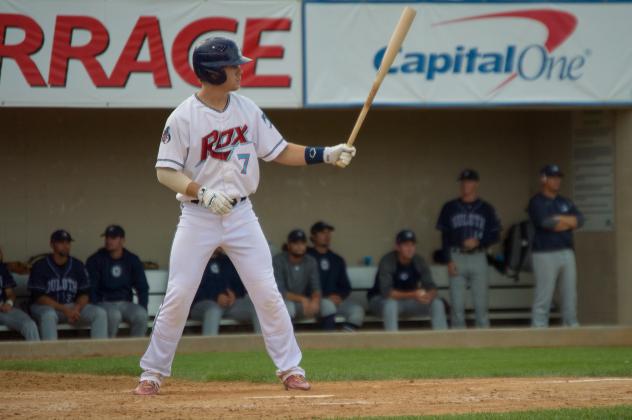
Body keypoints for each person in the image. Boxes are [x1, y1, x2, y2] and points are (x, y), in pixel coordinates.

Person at [135, 37, 356, 395]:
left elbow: (280, 150)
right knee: (178, 293)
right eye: (233, 65)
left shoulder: (247, 109)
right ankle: (152, 372)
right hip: (198, 216)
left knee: (267, 291)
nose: (240, 69)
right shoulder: (183, 117)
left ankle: (290, 369)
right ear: (211, 71)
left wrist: (326, 154)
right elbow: (165, 172)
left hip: (241, 214)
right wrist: (202, 193)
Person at [435, 169, 501, 329]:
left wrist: (479, 242)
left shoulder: (486, 208)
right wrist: (448, 260)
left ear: (476, 183)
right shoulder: (449, 207)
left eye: (470, 181)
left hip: (479, 257)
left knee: (481, 306)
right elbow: (444, 237)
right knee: (457, 307)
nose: (466, 185)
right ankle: (457, 347)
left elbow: (496, 235)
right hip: (456, 256)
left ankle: (484, 345)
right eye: (463, 182)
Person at [528, 164, 583, 328]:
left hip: (566, 252)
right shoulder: (536, 201)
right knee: (544, 296)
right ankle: (538, 330)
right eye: (552, 177)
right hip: (545, 253)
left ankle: (571, 327)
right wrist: (567, 221)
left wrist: (560, 219)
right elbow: (546, 223)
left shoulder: (565, 201)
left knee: (570, 295)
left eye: (558, 177)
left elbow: (579, 220)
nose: (556, 181)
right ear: (543, 179)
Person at [28, 230, 107, 340]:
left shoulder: (77, 265)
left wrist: (77, 308)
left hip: (72, 307)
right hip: (46, 307)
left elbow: (84, 293)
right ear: (52, 245)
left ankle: (99, 353)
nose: (65, 246)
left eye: (67, 243)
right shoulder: (40, 266)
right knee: (49, 315)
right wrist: (65, 310)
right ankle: (51, 355)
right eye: (61, 242)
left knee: (100, 313)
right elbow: (39, 297)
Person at [368, 230, 448, 331]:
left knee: (437, 303)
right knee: (391, 305)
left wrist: (428, 296)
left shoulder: (419, 261)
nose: (410, 249)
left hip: (410, 301)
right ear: (397, 247)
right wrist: (414, 294)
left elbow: (431, 287)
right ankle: (393, 343)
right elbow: (387, 293)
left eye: (412, 245)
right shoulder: (388, 261)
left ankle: (442, 341)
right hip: (381, 301)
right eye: (406, 245)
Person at [86, 225, 149, 338]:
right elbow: (92, 287)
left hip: (125, 303)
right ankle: (108, 351)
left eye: (113, 238)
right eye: (107, 237)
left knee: (141, 315)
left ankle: (135, 351)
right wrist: (95, 304)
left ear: (122, 240)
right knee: (114, 315)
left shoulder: (131, 259)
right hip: (104, 303)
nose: (109, 241)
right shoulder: (96, 259)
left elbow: (142, 287)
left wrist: (142, 306)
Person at [307, 221, 364, 331]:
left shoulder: (337, 259)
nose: (327, 236)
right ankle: (329, 341)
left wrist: (339, 296)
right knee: (328, 305)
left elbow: (345, 286)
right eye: (322, 233)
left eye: (328, 233)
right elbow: (301, 285)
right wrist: (324, 297)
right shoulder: (307, 258)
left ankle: (344, 340)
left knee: (357, 310)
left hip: (335, 301)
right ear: (313, 236)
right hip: (314, 302)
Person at [190, 249, 260, 335]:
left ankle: (262, 346)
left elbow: (241, 287)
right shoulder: (194, 260)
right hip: (202, 304)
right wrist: (215, 297)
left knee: (257, 306)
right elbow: (190, 290)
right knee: (214, 310)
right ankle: (210, 348)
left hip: (230, 305)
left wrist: (234, 295)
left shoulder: (229, 261)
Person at [273, 229, 324, 324]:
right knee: (289, 308)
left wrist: (315, 300)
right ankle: (287, 338)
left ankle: (327, 338)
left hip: (304, 303)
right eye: (295, 243)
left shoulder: (310, 261)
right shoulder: (278, 261)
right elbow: (280, 292)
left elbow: (316, 287)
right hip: (283, 302)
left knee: (327, 306)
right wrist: (303, 299)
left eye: (302, 243)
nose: (299, 246)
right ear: (288, 245)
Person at [0, 247, 39, 341]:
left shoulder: (2, 269)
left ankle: (37, 355)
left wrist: (9, 303)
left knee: (29, 325)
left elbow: (10, 294)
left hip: (3, 310)